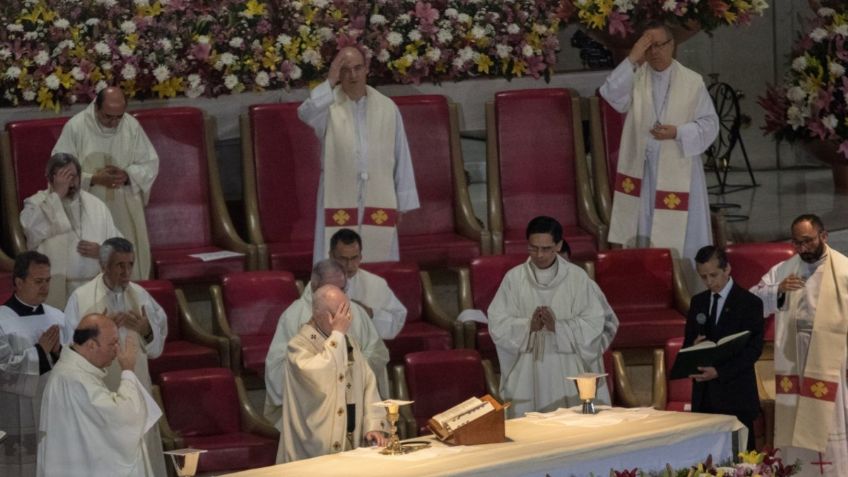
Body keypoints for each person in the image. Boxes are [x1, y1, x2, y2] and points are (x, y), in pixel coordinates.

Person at [599, 21, 718, 293]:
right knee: (645, 228)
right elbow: (610, 93)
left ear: (672, 45)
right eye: (648, 47)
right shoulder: (636, 76)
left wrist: (678, 132)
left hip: (679, 171)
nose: (654, 52)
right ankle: (650, 290)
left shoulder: (691, 81)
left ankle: (689, 291)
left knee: (683, 233)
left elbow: (710, 124)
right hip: (643, 172)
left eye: (660, 45)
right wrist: (632, 56)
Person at [298, 46, 419, 263]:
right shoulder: (328, 106)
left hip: (378, 195)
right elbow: (305, 113)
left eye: (357, 68)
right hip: (338, 195)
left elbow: (402, 156)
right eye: (345, 70)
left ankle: (374, 297)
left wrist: (401, 202)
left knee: (378, 256)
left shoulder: (387, 107)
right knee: (336, 260)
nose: (352, 75)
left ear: (366, 69)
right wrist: (330, 80)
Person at [751, 214, 848, 476]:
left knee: (832, 416)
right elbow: (749, 303)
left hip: (832, 358)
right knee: (795, 416)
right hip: (794, 357)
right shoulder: (784, 270)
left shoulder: (844, 270)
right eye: (797, 243)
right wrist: (777, 291)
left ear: (823, 237)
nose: (802, 249)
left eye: (807, 241)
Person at [63, 237, 167, 477]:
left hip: (135, 392)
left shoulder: (140, 296)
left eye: (130, 264)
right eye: (119, 265)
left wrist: (145, 330)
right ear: (103, 266)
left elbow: (156, 350)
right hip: (100, 397)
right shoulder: (81, 298)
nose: (126, 272)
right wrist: (97, 329)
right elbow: (68, 351)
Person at [488, 216, 610, 418]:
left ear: (559, 245)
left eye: (546, 248)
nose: (539, 254)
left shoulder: (577, 278)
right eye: (533, 248)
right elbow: (497, 322)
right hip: (528, 364)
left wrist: (559, 327)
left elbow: (594, 322)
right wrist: (528, 326)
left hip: (567, 361)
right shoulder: (514, 278)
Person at [264, 259, 389, 428]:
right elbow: (279, 368)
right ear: (315, 287)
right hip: (313, 411)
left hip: (355, 402)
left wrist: (355, 371)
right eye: (331, 288)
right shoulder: (294, 316)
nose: (339, 295)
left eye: (342, 288)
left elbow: (377, 352)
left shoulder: (357, 312)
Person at [52, 86, 159, 281]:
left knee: (126, 266)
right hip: (86, 208)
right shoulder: (76, 127)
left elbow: (149, 163)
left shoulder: (131, 126)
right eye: (108, 116)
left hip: (124, 206)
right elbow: (59, 170)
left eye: (119, 117)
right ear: (96, 108)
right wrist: (92, 179)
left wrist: (127, 175)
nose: (114, 122)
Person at [37, 314, 161, 477]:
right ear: (91, 345)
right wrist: (128, 371)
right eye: (112, 344)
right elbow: (123, 418)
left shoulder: (74, 372)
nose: (117, 350)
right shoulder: (74, 379)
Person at [276, 284, 387, 463]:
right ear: (321, 314)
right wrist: (337, 335)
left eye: (347, 311)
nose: (347, 319)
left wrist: (373, 425)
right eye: (341, 313)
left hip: (352, 444)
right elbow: (322, 377)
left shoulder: (349, 341)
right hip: (313, 453)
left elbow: (368, 383)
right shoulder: (299, 347)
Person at [683, 246, 763, 450]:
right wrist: (693, 348)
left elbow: (753, 350)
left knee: (742, 460)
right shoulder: (698, 302)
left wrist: (719, 371)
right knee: (707, 460)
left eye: (713, 275)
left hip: (736, 395)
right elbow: (687, 345)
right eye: (703, 277)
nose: (709, 282)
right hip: (705, 397)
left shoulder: (749, 302)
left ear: (727, 269)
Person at [20, 153, 122, 309]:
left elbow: (121, 246)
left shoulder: (96, 205)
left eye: (73, 177)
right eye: (63, 177)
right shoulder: (36, 203)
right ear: (50, 178)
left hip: (94, 291)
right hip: (55, 290)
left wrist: (103, 251)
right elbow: (31, 232)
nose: (69, 183)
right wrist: (57, 196)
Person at [0, 252, 65, 477]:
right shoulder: (2, 321)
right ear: (18, 282)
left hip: (55, 414)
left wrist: (59, 355)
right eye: (38, 281)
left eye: (48, 280)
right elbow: (3, 371)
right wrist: (41, 352)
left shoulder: (58, 317)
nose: (45, 287)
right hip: (15, 418)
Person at [329, 228, 406, 339]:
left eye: (354, 258)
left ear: (361, 256)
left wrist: (370, 313)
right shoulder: (319, 283)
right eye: (343, 259)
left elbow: (397, 320)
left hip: (367, 351)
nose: (349, 265)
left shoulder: (376, 283)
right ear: (332, 256)